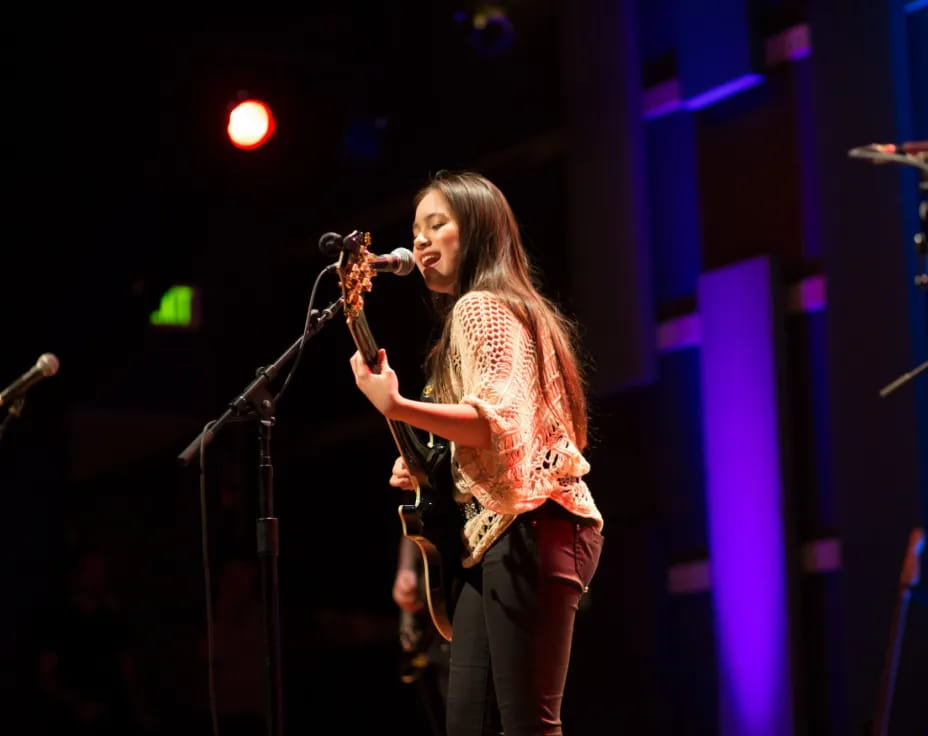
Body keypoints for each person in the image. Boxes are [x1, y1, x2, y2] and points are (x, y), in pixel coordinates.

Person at [349, 170, 605, 735]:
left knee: (526, 725)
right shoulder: (510, 308)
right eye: (416, 229)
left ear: (480, 232)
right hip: (502, 532)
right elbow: (493, 432)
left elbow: (495, 424)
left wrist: (396, 405)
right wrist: (430, 461)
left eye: (437, 224)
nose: (419, 241)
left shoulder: (481, 308)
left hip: (530, 526)